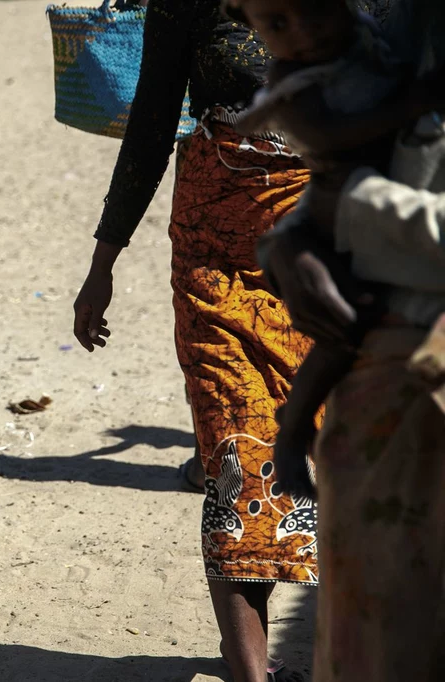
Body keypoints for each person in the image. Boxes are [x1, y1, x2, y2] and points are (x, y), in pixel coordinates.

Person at [71, 1, 387, 679]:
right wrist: (104, 262)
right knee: (235, 452)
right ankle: (248, 669)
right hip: (215, 259)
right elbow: (152, 123)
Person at [261, 3, 445, 677]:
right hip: (381, 392)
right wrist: (290, 245)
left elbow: (355, 183)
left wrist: (353, 211)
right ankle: (290, 430)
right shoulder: (405, 34)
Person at [227, 0, 443, 499]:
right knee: (343, 332)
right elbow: (326, 138)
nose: (304, 32)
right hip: (348, 231)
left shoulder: (368, 40)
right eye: (278, 24)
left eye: (315, 12)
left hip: (380, 243)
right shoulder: (306, 71)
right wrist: (293, 243)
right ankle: (295, 429)